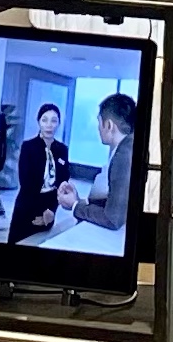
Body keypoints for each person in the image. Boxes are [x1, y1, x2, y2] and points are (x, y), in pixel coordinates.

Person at [64, 93, 138, 243]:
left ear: (109, 125)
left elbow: (112, 218)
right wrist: (78, 200)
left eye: (99, 123)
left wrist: (74, 205)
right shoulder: (126, 147)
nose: (98, 128)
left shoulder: (123, 156)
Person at [11, 101, 70, 243]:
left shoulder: (62, 149)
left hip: (49, 210)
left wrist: (51, 210)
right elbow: (26, 183)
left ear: (59, 123)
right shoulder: (28, 147)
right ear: (38, 122)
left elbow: (63, 180)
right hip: (27, 208)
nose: (49, 125)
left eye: (54, 121)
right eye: (45, 120)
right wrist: (40, 212)